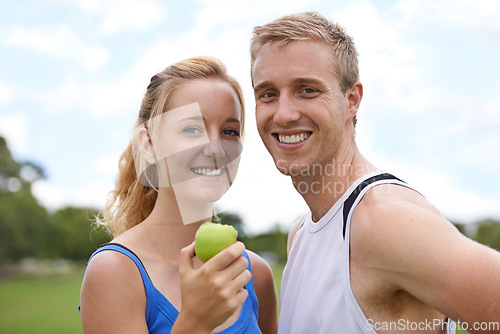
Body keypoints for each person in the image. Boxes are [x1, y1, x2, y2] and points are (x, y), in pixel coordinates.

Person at [250, 11, 500, 334]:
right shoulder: (300, 235)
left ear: (351, 100)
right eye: (268, 94)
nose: (283, 114)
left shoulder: (382, 221)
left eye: (307, 90)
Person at [80, 56, 278, 334]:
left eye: (229, 131)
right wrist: (195, 321)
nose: (216, 149)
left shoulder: (254, 274)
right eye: (192, 129)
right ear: (148, 145)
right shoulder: (114, 272)